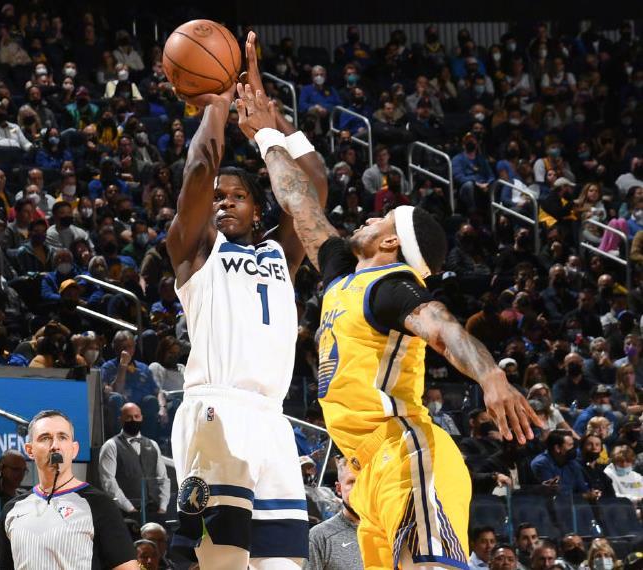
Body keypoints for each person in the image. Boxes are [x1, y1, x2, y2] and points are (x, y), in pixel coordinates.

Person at [235, 77, 540, 569]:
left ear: (392, 243)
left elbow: (442, 327)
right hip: (368, 474)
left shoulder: (392, 287)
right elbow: (300, 202)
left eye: (381, 220)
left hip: (407, 454)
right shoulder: (343, 275)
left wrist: (491, 376)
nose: (367, 219)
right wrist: (267, 135)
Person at [167, 32, 327, 569]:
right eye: (217, 198)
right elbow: (198, 171)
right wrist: (215, 106)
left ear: (259, 210)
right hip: (216, 411)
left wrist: (270, 124)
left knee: (282, 564)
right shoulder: (194, 253)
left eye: (237, 196)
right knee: (221, 562)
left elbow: (314, 188)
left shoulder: (281, 252)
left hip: (272, 422)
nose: (223, 203)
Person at [0, 410, 137, 569]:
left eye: (62, 437)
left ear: (74, 449)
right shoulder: (12, 510)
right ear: (30, 450)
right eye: (45, 438)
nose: (55, 446)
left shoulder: (99, 504)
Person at [98, 403, 170, 520]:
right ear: (120, 420)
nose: (133, 420)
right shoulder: (111, 446)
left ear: (141, 418)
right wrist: (130, 509)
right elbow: (108, 482)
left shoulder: (153, 445)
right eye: (129, 417)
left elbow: (163, 478)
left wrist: (163, 507)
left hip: (154, 511)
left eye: (136, 416)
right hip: (125, 514)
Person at [306, 457, 363, 570]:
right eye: (352, 482)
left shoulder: (391, 531)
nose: (360, 489)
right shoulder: (320, 537)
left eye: (365, 482)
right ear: (339, 488)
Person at [530, 430, 591, 497]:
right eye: (570, 445)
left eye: (573, 445)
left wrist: (590, 494)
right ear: (557, 448)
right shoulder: (541, 464)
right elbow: (553, 493)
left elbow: (583, 489)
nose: (574, 449)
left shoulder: (573, 463)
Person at [0, 449, 28, 520]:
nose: (21, 475)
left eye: (24, 470)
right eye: (16, 469)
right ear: (2, 468)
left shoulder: (25, 497)